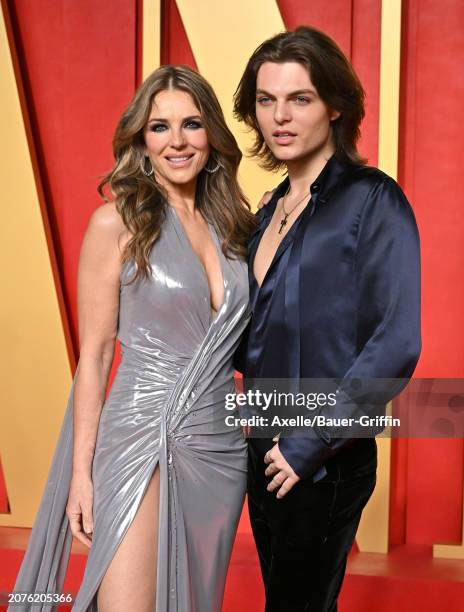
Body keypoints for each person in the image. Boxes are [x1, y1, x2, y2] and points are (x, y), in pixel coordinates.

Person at [10, 64, 255, 612]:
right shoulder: (115, 224)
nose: (177, 141)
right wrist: (81, 474)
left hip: (218, 449)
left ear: (211, 134)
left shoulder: (237, 230)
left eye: (191, 124)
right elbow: (94, 357)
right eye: (159, 126)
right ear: (141, 141)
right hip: (140, 437)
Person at [233, 26, 421, 611]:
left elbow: (396, 343)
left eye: (300, 99)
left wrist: (306, 443)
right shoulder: (268, 210)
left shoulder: (373, 199)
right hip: (259, 446)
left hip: (321, 459)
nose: (279, 117)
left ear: (335, 105)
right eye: (266, 101)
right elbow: (253, 340)